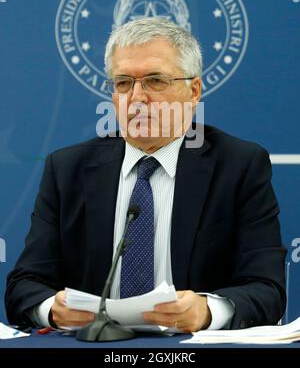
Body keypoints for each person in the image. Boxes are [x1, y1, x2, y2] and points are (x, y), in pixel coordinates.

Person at [5, 17, 286, 333]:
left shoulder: (238, 166)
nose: (137, 97)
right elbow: (25, 286)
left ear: (193, 91)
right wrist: (52, 310)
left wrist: (207, 311)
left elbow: (267, 289)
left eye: (155, 80)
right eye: (123, 82)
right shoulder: (67, 169)